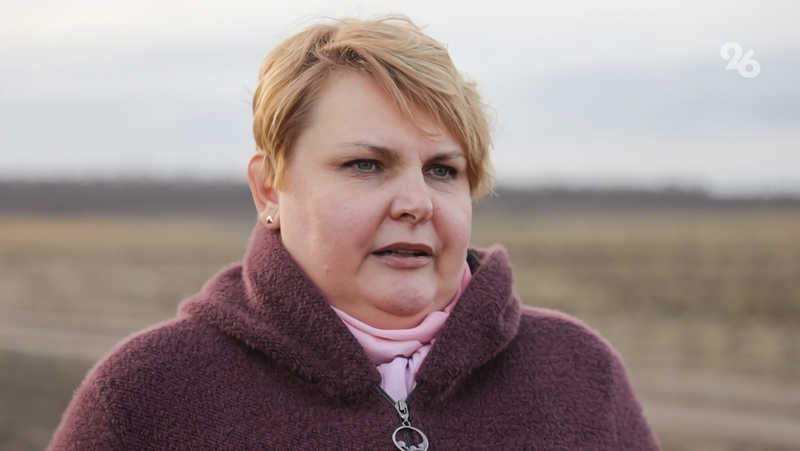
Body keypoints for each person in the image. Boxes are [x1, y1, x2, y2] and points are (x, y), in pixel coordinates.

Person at [47, 16, 662, 451]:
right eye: (366, 164)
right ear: (269, 189)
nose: (416, 203)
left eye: (442, 170)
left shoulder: (578, 374)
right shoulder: (149, 395)